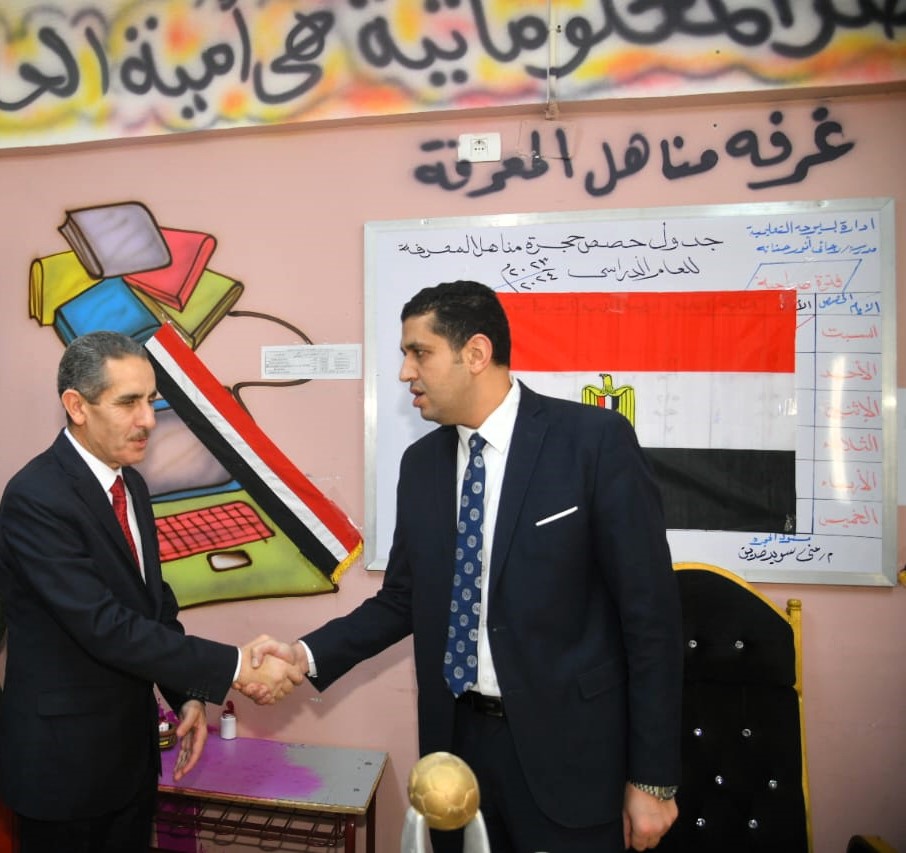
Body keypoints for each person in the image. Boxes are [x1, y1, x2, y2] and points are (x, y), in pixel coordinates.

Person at [252, 281, 684, 852]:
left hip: (570, 755)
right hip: (456, 752)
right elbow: (403, 599)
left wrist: (653, 779)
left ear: (476, 353)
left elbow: (651, 619)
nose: (405, 372)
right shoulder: (422, 464)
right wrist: (304, 655)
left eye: (420, 352)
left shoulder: (593, 442)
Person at [0, 331, 301, 853]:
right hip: (63, 771)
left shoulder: (132, 485)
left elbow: (153, 604)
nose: (148, 419)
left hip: (130, 765)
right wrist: (236, 666)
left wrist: (186, 694)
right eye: (128, 402)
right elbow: (105, 627)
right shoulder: (35, 497)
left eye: (151, 400)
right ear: (77, 406)